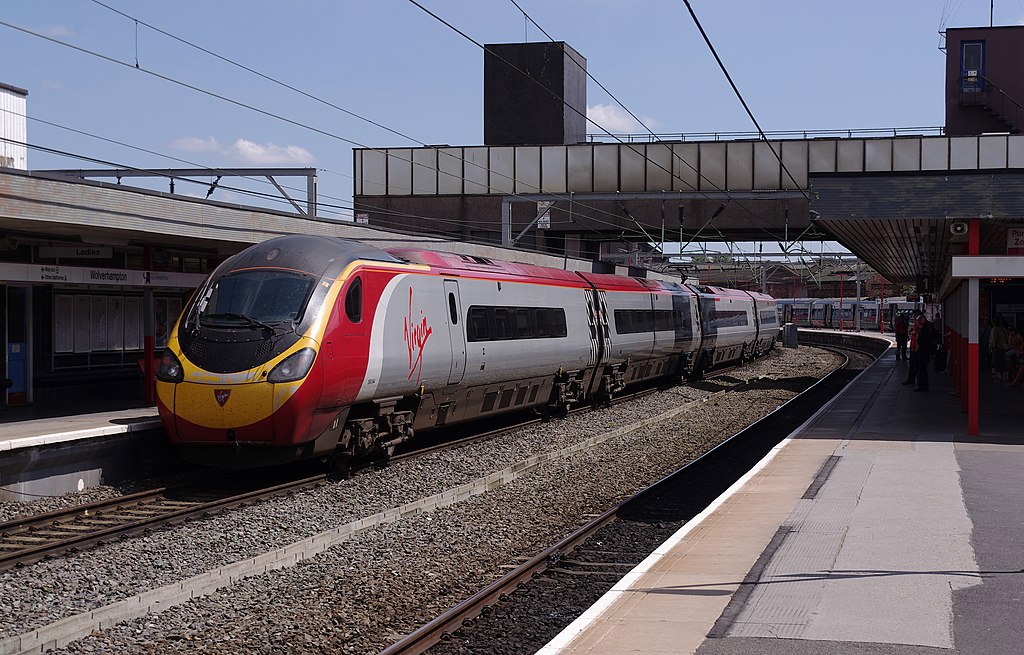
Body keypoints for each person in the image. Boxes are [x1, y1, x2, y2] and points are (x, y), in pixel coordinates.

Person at [903, 310, 936, 391]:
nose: (916, 323)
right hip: (919, 350)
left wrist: (915, 350)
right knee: (918, 368)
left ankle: (921, 386)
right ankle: (918, 383)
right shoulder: (923, 329)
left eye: (917, 321)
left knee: (920, 369)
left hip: (919, 351)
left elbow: (919, 342)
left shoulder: (922, 331)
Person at [989, 317, 1010, 382]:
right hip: (1004, 347)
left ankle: (999, 377)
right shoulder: (1003, 329)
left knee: (997, 363)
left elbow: (994, 339)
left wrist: (992, 347)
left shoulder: (994, 329)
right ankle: (1005, 377)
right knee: (1003, 362)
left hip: (998, 347)